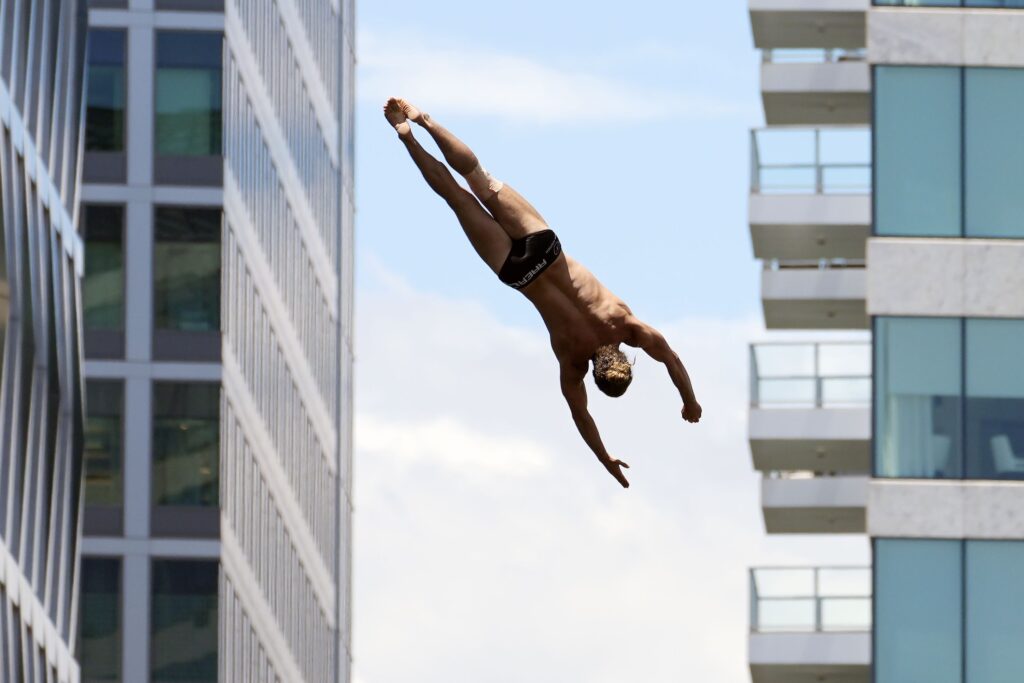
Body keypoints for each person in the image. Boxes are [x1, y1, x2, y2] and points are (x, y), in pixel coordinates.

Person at [384, 98, 702, 488]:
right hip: (518, 274)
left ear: (624, 360)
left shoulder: (625, 326)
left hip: (546, 251)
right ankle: (406, 136)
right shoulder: (572, 362)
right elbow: (581, 417)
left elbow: (669, 357)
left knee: (479, 179)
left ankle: (426, 121)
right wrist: (605, 460)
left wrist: (689, 399)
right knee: (455, 197)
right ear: (596, 377)